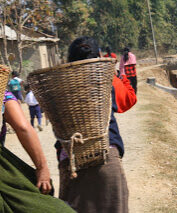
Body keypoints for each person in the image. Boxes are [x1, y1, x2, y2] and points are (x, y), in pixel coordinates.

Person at [56, 36, 137, 213]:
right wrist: (119, 75)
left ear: (68, 60)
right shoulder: (105, 79)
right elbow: (128, 100)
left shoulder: (56, 86)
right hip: (106, 156)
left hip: (70, 162)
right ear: (99, 56)